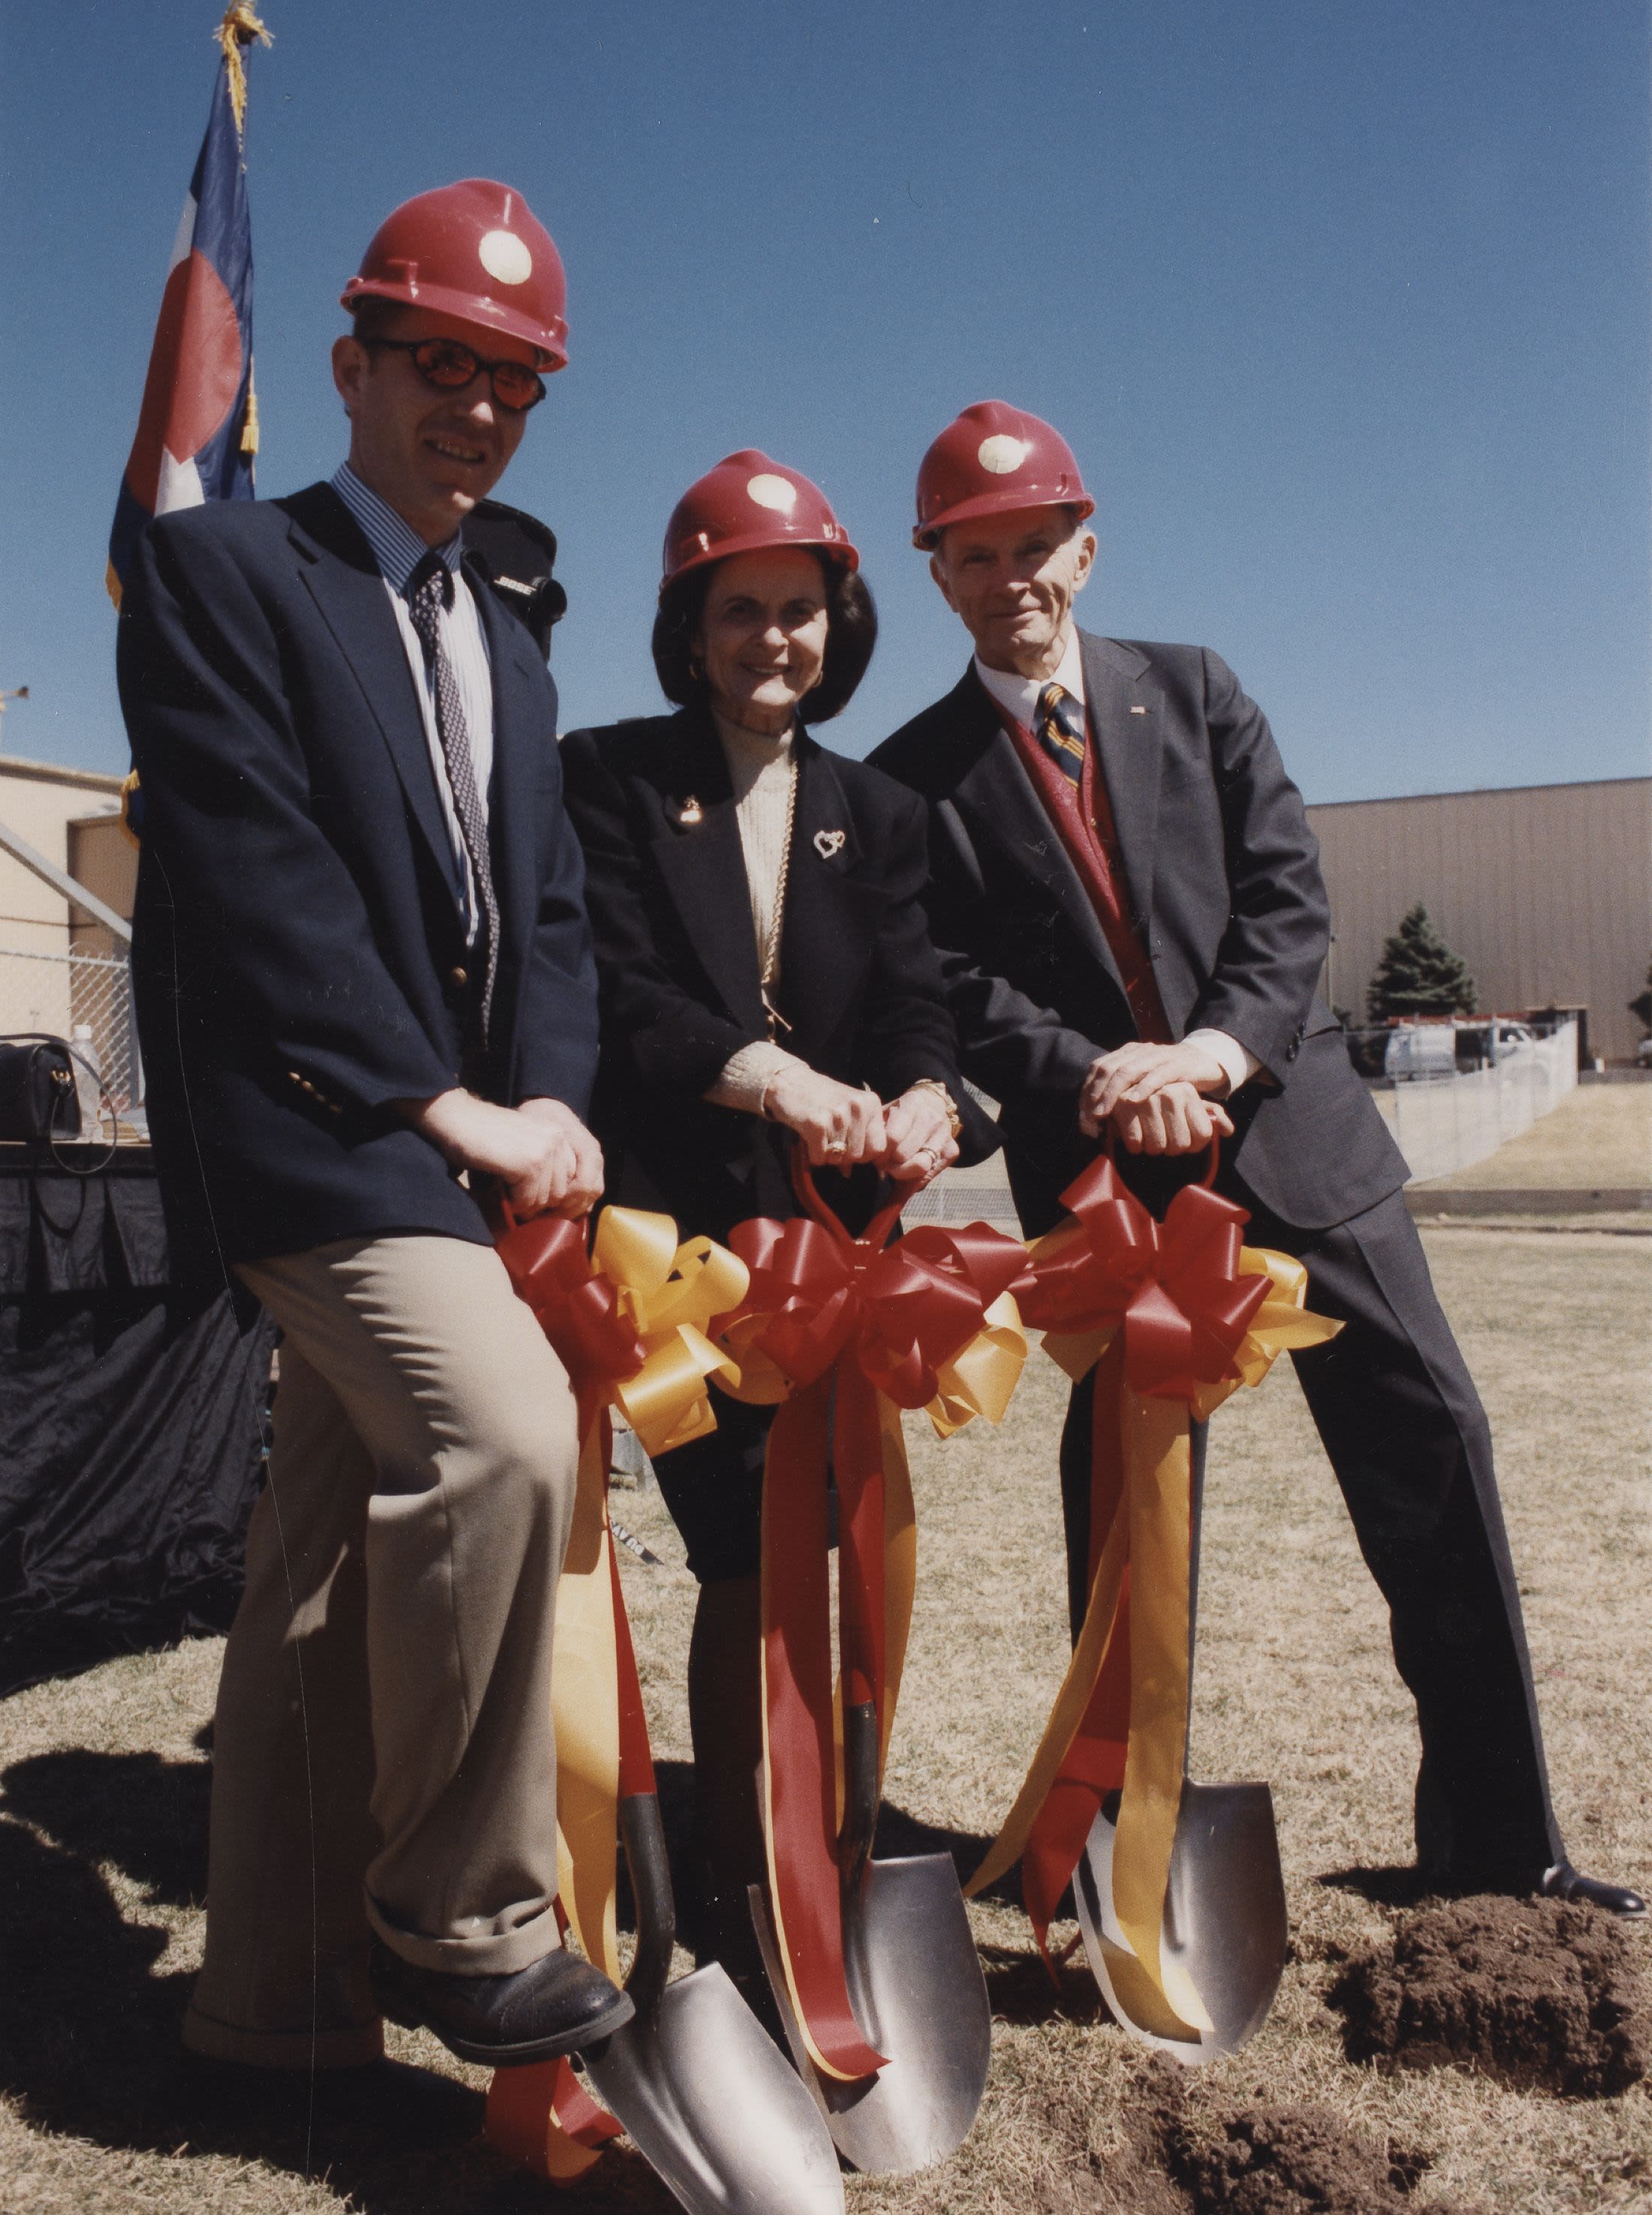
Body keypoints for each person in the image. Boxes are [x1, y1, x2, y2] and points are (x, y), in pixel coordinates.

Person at [871, 399, 1642, 1915]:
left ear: (1084, 550)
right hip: (1111, 1201)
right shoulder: (912, 779)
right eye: (976, 553)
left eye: (1035, 544)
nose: (1010, 574)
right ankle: (1113, 1862)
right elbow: (951, 984)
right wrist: (1099, 1077)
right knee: (1126, 1542)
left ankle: (1500, 1849)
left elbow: (1285, 898)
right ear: (937, 575)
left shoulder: (1195, 691)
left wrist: (1210, 1057)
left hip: (1298, 1155)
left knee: (1434, 1466)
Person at [117, 178, 638, 2076]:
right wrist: (449, 1112)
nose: (477, 409)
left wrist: (555, 1102)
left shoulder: (504, 637)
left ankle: (266, 2007)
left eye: (515, 382)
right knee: (504, 1444)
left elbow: (551, 911)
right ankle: (462, 1916)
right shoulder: (222, 571)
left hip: (463, 1147)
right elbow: (259, 883)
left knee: (318, 1573)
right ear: (348, 364)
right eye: (441, 363)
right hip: (318, 1141)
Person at [560, 449, 982, 1990]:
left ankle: (841, 1854)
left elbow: (920, 998)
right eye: (739, 611)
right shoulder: (603, 776)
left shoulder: (875, 811)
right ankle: (747, 1875)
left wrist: (928, 1098)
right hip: (679, 1255)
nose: (771, 642)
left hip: (840, 1259)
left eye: (798, 612)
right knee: (743, 1555)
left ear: (838, 624)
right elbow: (618, 992)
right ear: (688, 626)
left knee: (852, 1555)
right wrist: (774, 1082)